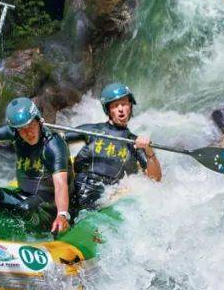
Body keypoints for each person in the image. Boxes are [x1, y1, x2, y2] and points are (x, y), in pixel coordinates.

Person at [0, 84, 72, 237]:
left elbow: (61, 184)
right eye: (22, 129)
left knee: (25, 208)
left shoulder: (54, 144)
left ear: (39, 121)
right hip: (24, 196)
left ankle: (32, 235)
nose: (28, 133)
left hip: (48, 206)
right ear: (15, 130)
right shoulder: (14, 134)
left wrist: (62, 214)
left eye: (30, 126)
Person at [61, 83, 161, 212]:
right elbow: (58, 139)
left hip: (105, 194)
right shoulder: (92, 130)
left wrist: (149, 150)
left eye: (124, 104)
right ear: (108, 110)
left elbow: (155, 178)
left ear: (130, 106)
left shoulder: (135, 142)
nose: (121, 109)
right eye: (115, 105)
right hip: (77, 188)